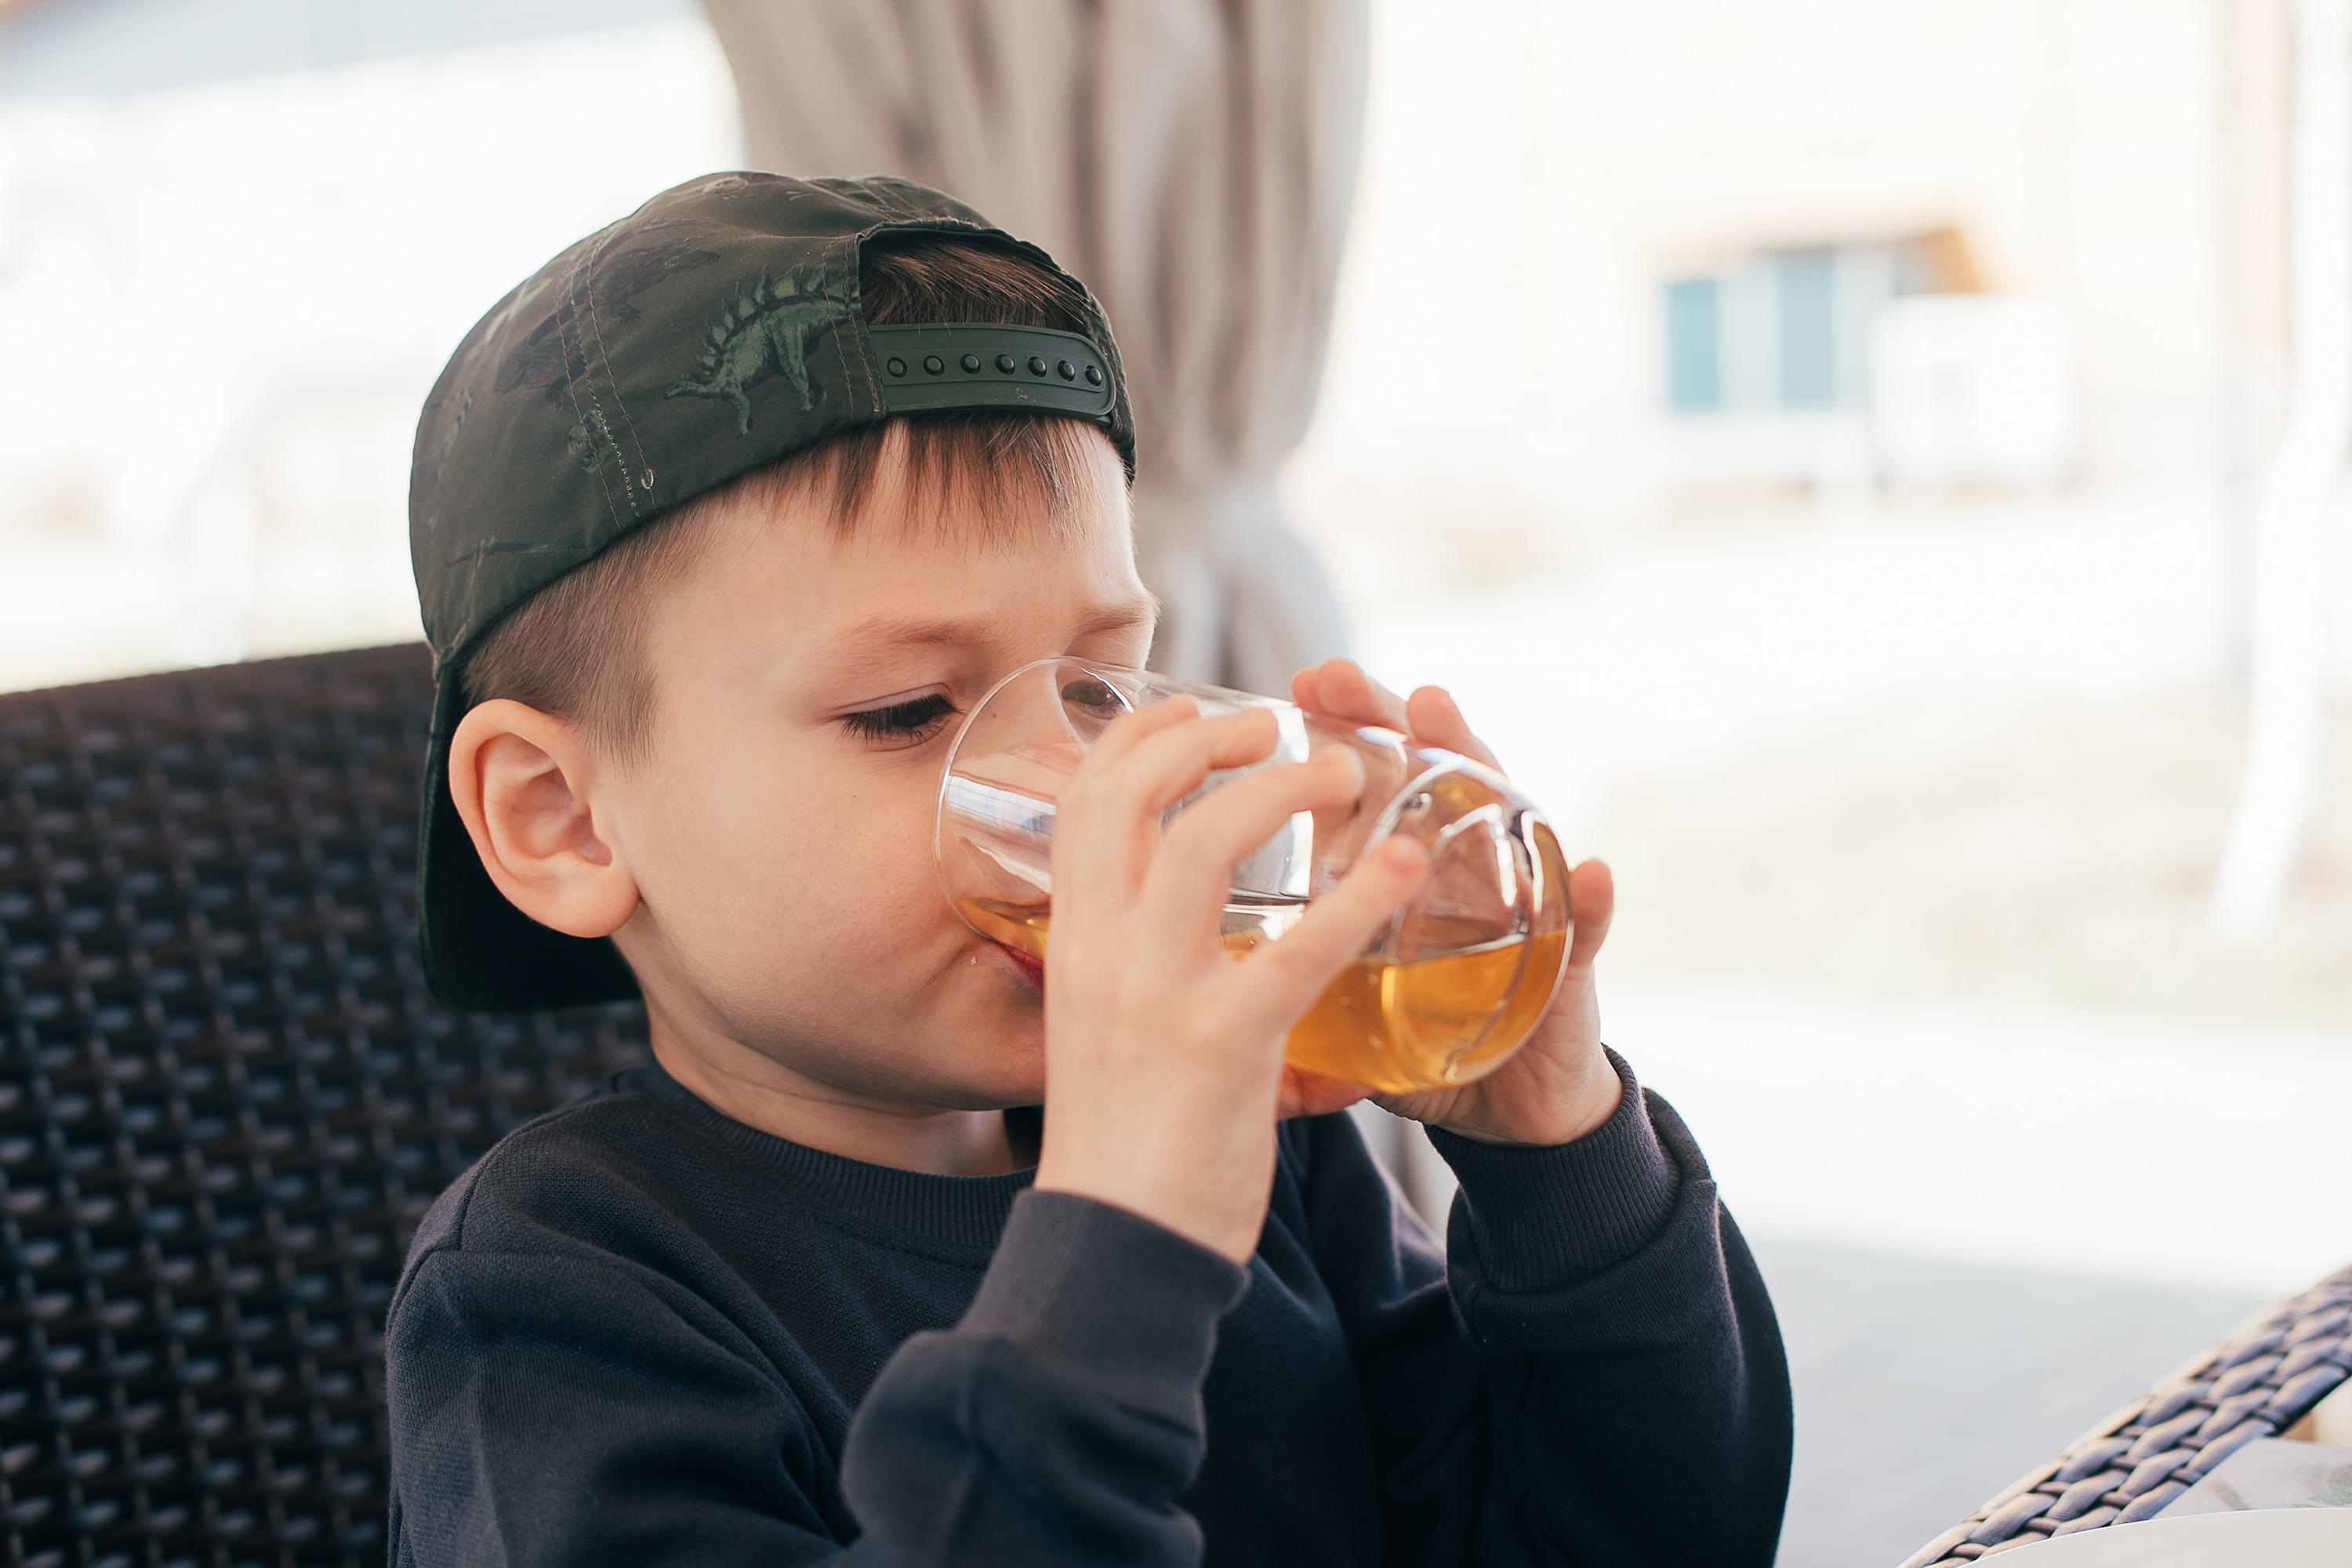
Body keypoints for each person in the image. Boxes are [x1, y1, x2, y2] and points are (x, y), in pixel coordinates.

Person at [385, 170, 1794, 1566]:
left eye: (1098, 686)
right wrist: (1122, 1240)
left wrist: (1560, 1161)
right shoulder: (555, 1295)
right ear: (565, 820)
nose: (1067, 787)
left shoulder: (1252, 1131)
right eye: (908, 711)